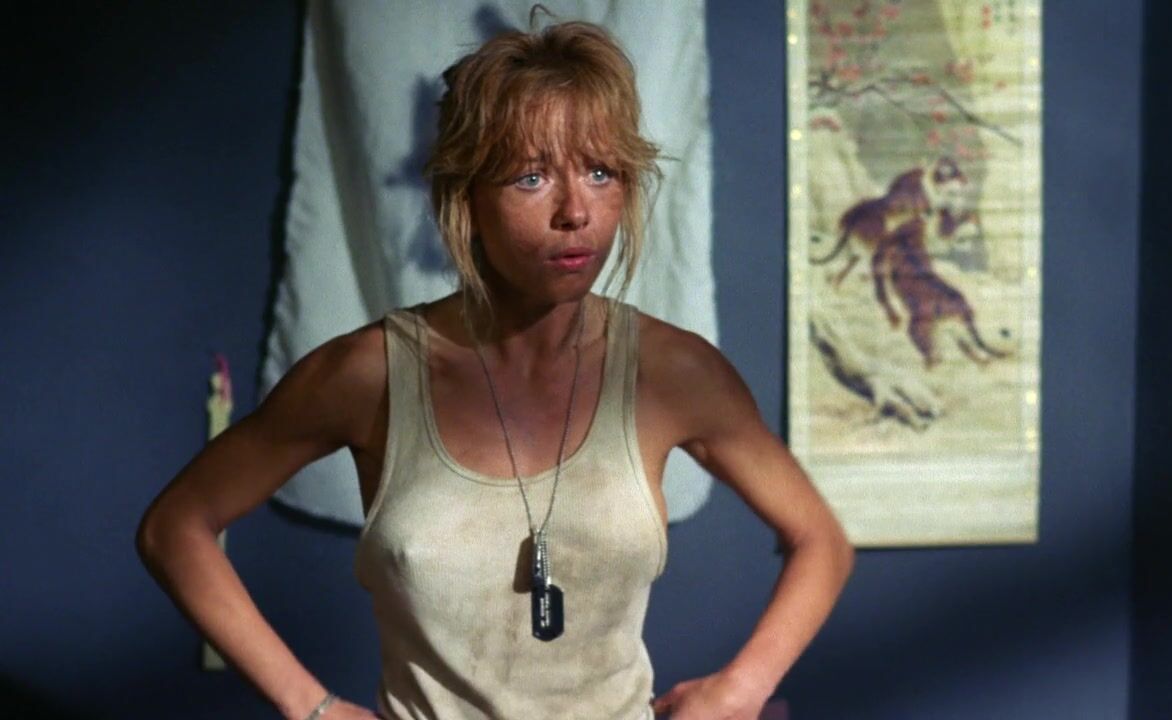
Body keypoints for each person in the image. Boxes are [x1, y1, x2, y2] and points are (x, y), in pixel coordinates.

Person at [136, 16, 853, 720]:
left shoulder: (674, 373)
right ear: (466, 195)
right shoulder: (370, 375)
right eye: (531, 177)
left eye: (600, 172)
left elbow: (820, 540)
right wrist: (312, 706)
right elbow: (175, 527)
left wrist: (741, 688)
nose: (575, 211)